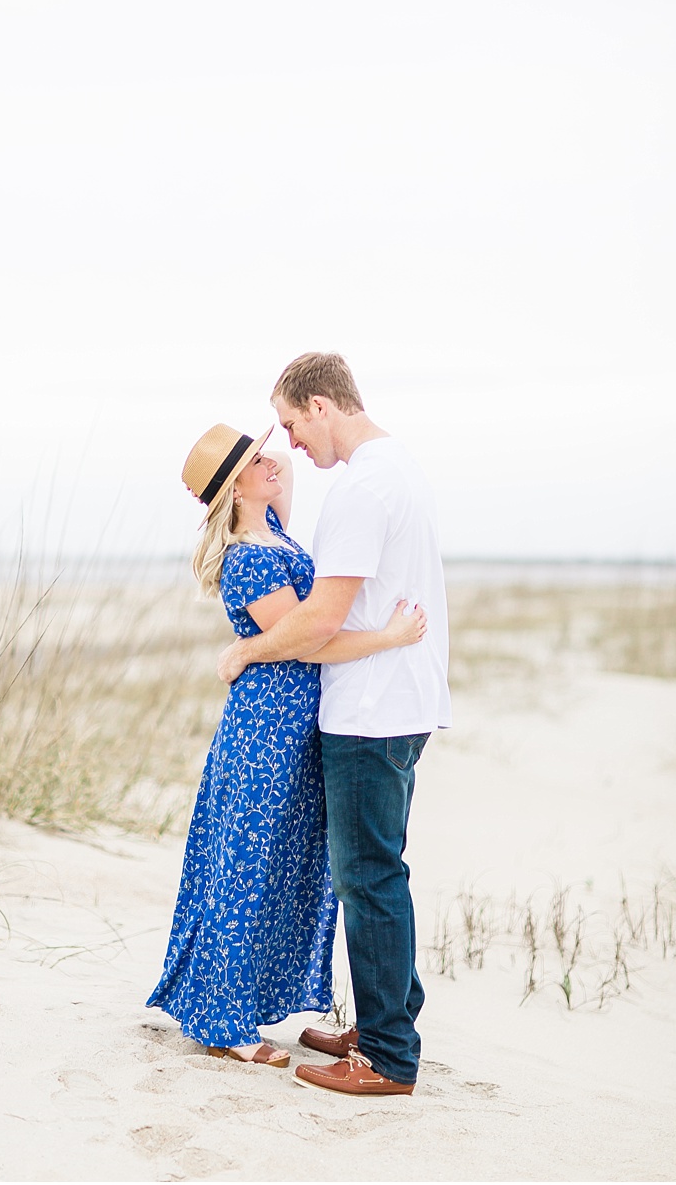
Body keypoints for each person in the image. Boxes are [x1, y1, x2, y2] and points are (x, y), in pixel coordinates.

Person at [148, 422, 426, 1067]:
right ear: (235, 489)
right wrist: (387, 638)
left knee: (278, 869)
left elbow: (283, 473)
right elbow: (308, 641)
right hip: (267, 728)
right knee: (245, 867)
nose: (273, 462)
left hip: (300, 724)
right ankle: (223, 1023)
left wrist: (262, 457)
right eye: (253, 462)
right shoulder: (249, 556)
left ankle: (237, 1005)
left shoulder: (276, 531)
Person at [216, 352, 450, 1097]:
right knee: (381, 868)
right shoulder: (397, 466)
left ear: (321, 405)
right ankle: (387, 1021)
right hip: (399, 701)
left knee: (369, 875)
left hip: (371, 709)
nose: (291, 445)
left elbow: (320, 617)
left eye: (290, 423)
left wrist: (247, 650)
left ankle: (385, 1053)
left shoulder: (360, 486)